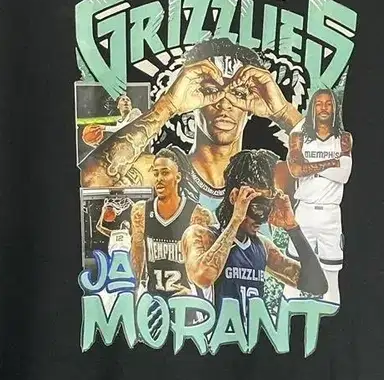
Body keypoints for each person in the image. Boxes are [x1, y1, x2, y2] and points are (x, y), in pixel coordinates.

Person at [79, 38, 302, 213]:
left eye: (238, 94)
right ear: (193, 98)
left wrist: (283, 112)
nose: (224, 103)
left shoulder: (272, 176)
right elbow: (92, 180)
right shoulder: (163, 172)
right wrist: (168, 105)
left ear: (251, 107)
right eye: (211, 90)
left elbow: (325, 175)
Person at [181, 149, 327, 315]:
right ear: (235, 197)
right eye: (257, 206)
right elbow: (203, 277)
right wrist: (236, 219)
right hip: (214, 330)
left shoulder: (262, 246)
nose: (261, 218)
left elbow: (317, 285)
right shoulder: (200, 235)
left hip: (250, 331)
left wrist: (292, 227)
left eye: (267, 206)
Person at [284, 88, 353, 305]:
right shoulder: (298, 137)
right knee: (294, 271)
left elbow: (344, 175)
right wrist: (332, 163)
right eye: (319, 103)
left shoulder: (343, 138)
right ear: (312, 107)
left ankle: (330, 315)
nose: (324, 108)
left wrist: (310, 166)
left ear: (335, 108)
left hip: (331, 213)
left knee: (331, 274)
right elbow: (296, 170)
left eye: (328, 103)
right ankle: (289, 314)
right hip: (304, 211)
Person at [129, 149, 214, 298]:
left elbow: (206, 267)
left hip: (187, 299)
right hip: (154, 299)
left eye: (165, 173)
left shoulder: (198, 215)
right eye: (156, 173)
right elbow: (137, 254)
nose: (159, 179)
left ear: (178, 177)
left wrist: (196, 296)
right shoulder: (141, 211)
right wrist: (134, 293)